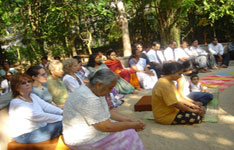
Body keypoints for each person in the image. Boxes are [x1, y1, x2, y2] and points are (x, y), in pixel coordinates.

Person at [63, 69, 145, 150]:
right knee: (129, 133)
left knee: (127, 128)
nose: (110, 91)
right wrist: (132, 125)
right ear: (99, 84)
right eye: (110, 88)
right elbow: (106, 127)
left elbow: (106, 112)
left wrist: (128, 120)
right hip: (81, 139)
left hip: (88, 131)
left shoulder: (93, 89)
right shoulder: (88, 98)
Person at [9, 73, 63, 144]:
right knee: (64, 123)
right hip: (26, 135)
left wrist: (63, 112)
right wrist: (63, 118)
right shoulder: (16, 103)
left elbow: (47, 106)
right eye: (23, 83)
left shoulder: (32, 96)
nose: (27, 84)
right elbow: (38, 116)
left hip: (42, 128)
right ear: (16, 87)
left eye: (29, 81)